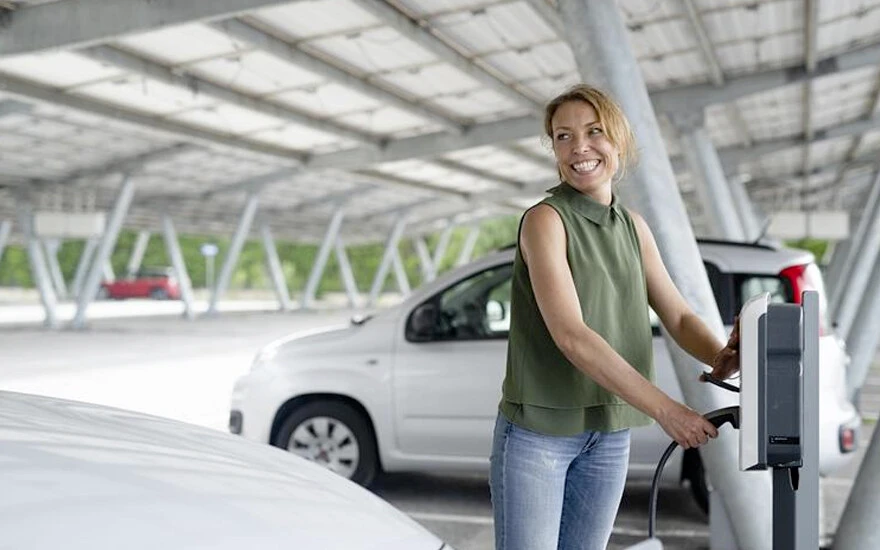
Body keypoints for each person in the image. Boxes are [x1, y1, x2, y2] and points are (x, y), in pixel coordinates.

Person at [488, 84, 740, 550]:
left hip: (607, 434)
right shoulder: (546, 220)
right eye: (563, 136)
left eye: (593, 131)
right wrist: (667, 410)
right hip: (539, 437)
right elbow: (572, 336)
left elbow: (679, 316)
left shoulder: (633, 227)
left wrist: (724, 354)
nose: (578, 147)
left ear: (619, 141)